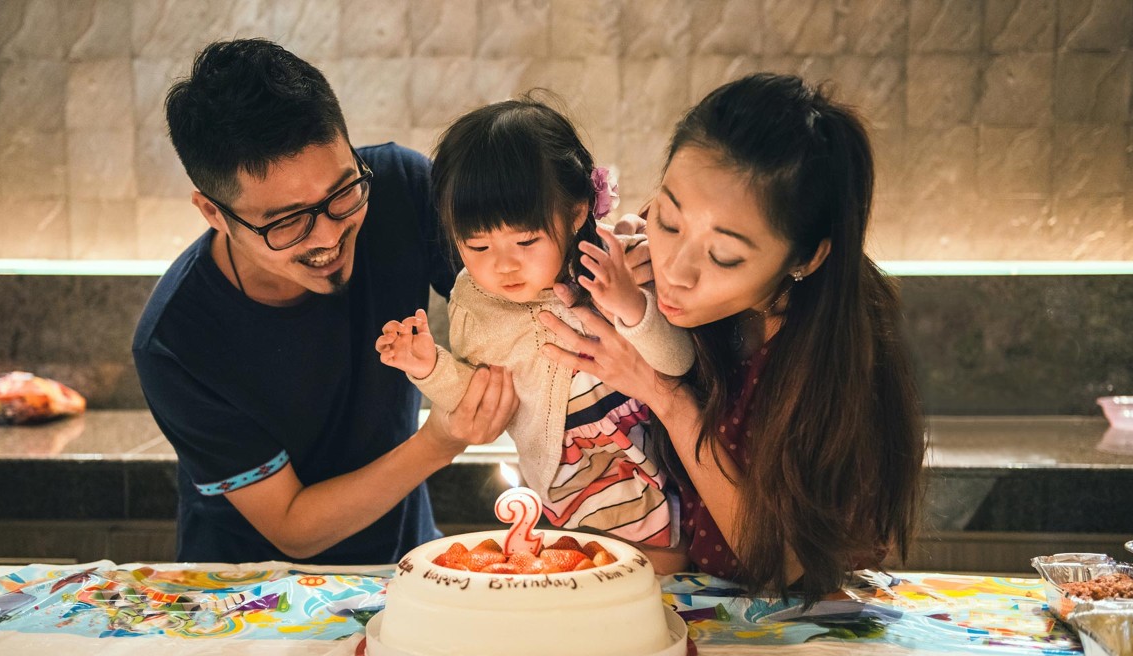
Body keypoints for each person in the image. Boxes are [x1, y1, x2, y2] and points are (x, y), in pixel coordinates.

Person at [132, 39, 517, 565]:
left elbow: (521, 287)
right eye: (287, 222)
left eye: (342, 193)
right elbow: (293, 527)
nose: (329, 236)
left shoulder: (400, 189)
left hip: (401, 567)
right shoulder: (177, 340)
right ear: (213, 212)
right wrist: (441, 440)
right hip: (252, 601)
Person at [540, 74, 925, 600]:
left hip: (804, 637)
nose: (677, 269)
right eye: (670, 221)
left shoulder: (838, 352)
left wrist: (664, 395)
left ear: (805, 258)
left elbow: (784, 565)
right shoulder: (655, 272)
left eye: (723, 257)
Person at [376, 97, 695, 547]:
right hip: (572, 475)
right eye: (478, 247)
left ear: (577, 213)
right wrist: (429, 367)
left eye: (525, 241)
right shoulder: (474, 304)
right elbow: (480, 400)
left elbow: (679, 362)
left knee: (666, 576)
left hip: (664, 447)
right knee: (621, 572)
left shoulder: (613, 263)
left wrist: (628, 304)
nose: (503, 266)